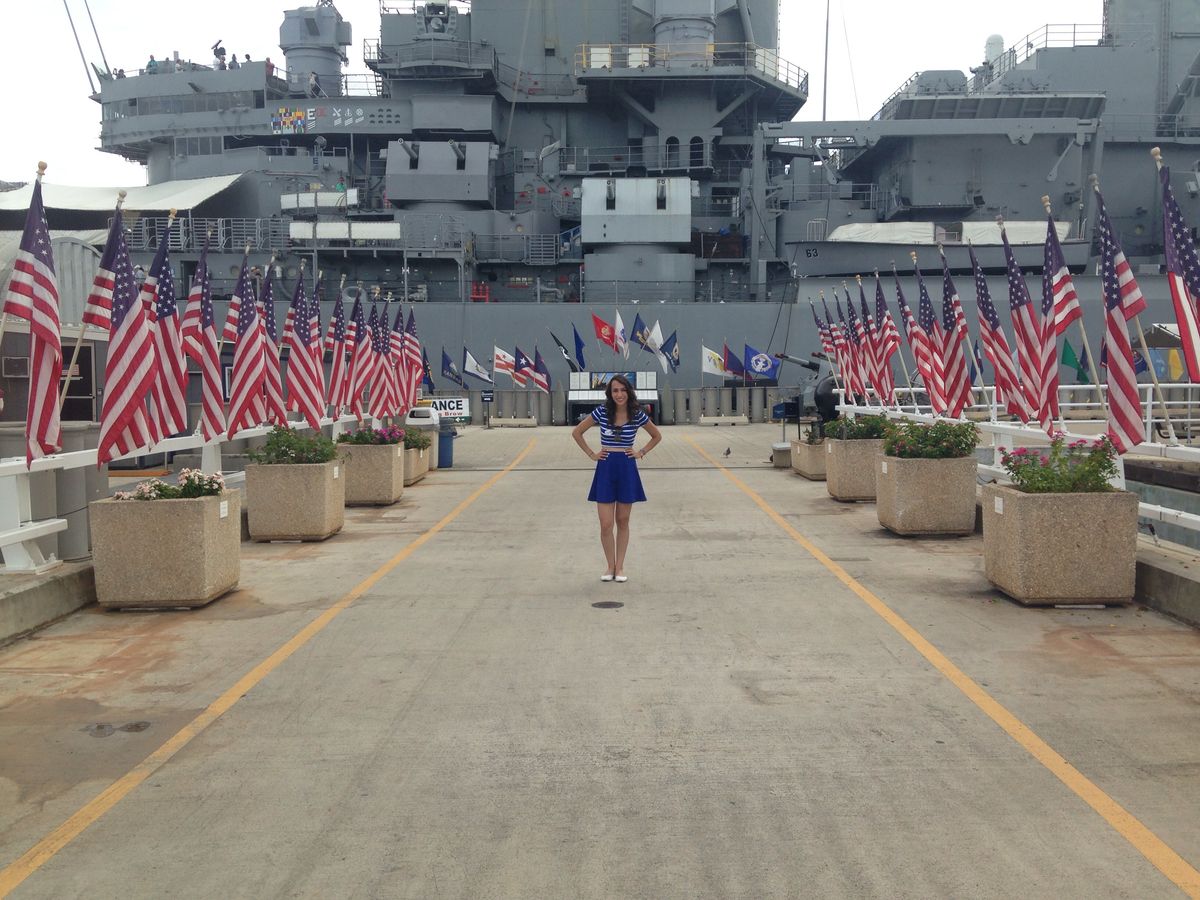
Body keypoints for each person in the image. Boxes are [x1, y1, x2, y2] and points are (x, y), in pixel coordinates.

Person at [572, 374, 662, 582]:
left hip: (626, 468)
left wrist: (641, 452)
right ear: (610, 393)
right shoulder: (602, 412)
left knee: (622, 520)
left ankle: (620, 567)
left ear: (628, 392)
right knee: (605, 524)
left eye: (622, 390)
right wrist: (591, 454)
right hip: (605, 468)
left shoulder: (637, 414)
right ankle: (610, 566)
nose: (619, 394)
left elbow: (657, 436)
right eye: (615, 390)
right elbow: (577, 432)